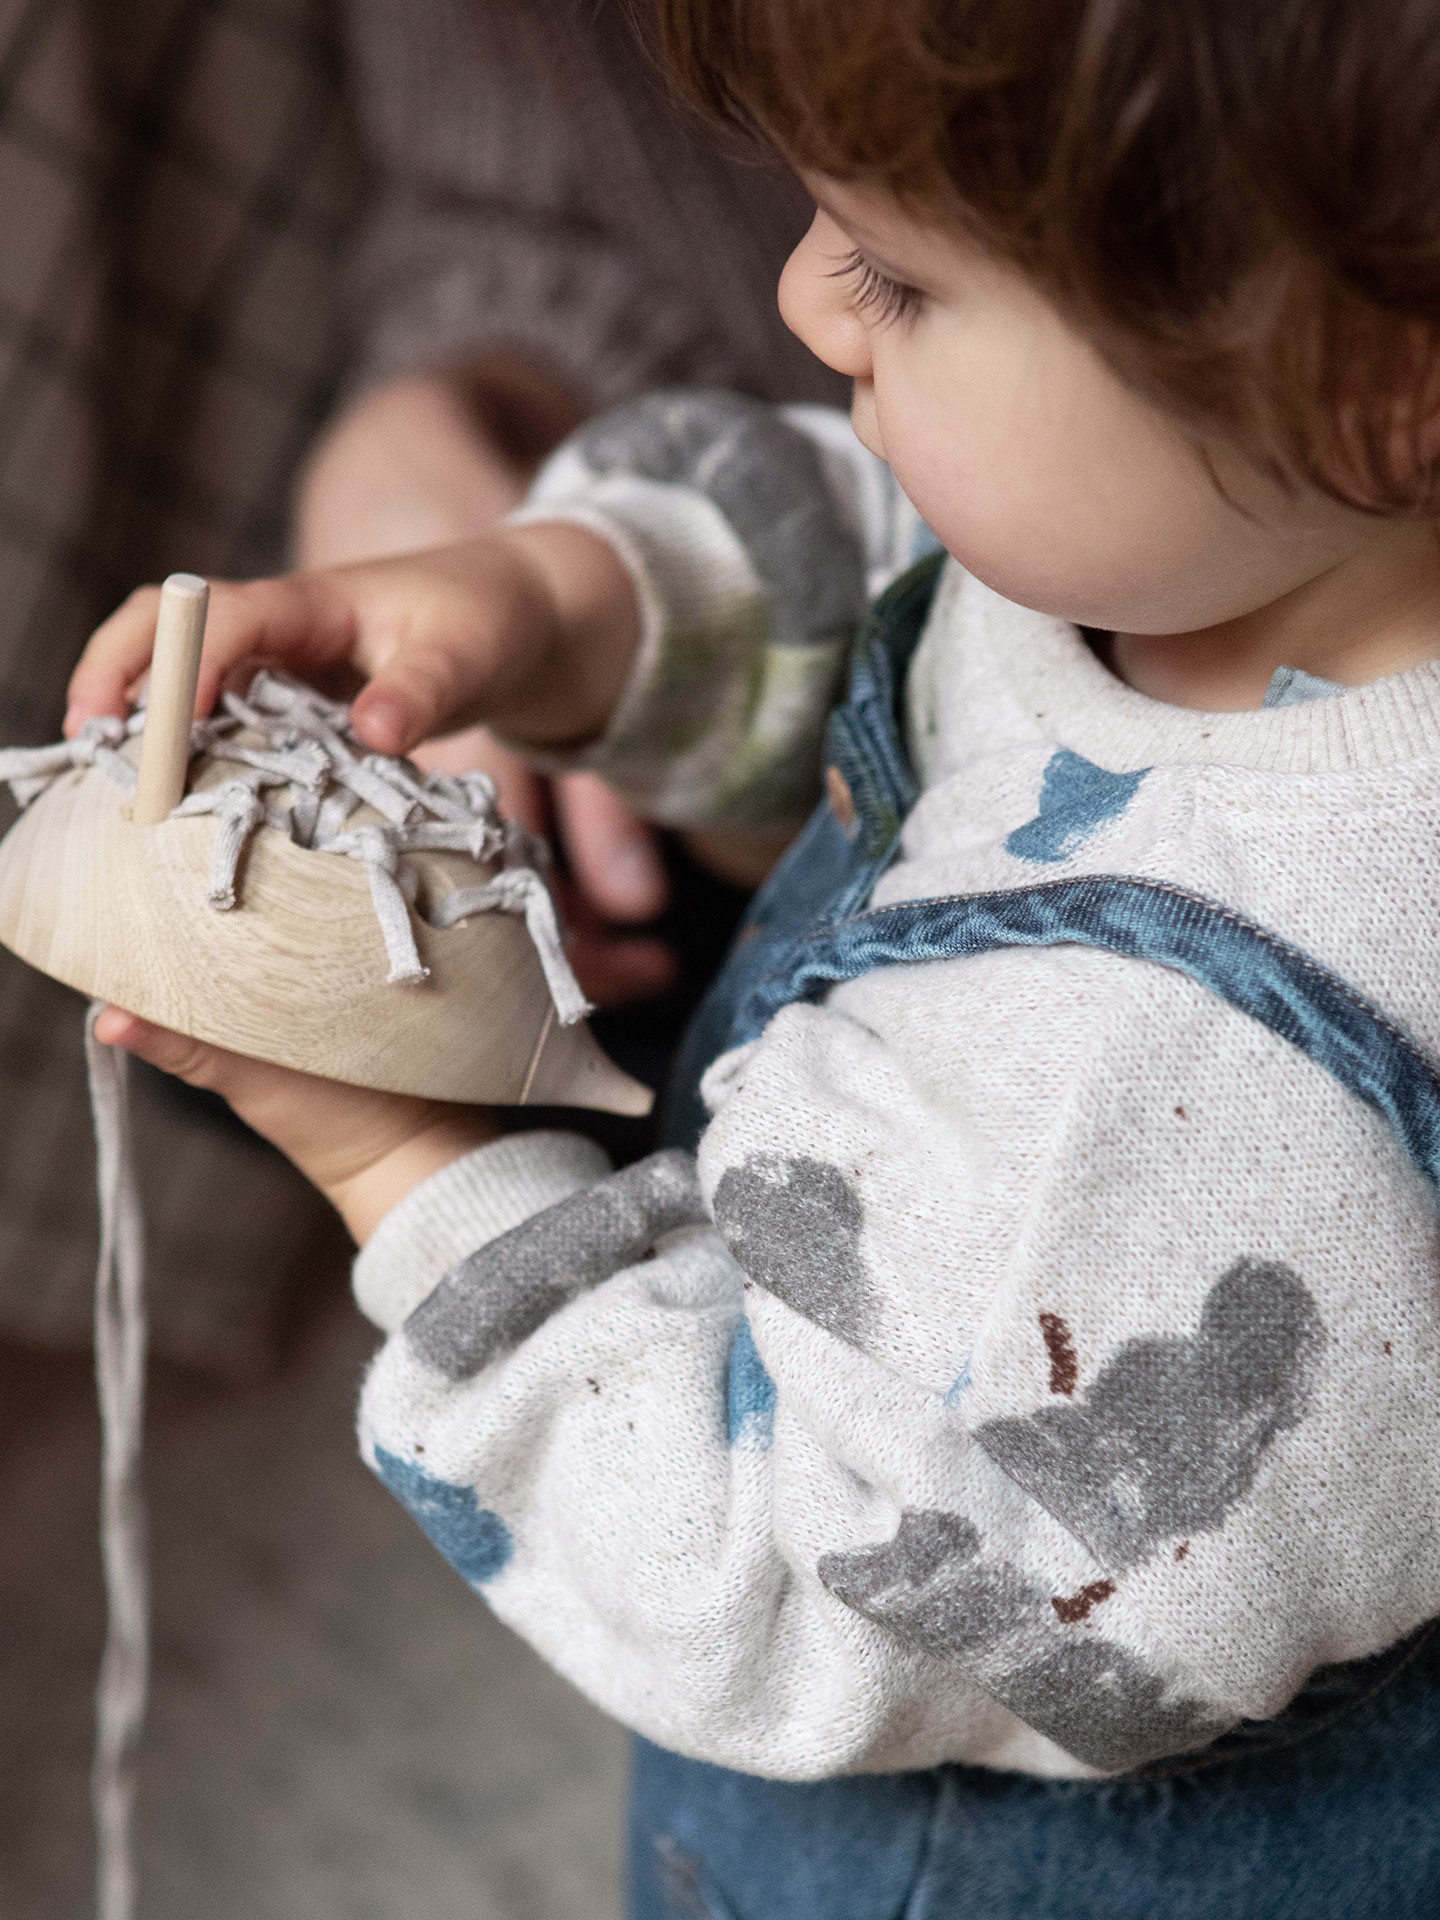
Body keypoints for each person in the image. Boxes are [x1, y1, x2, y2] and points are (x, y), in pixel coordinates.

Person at [63, 0, 1440, 1911]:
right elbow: (924, 560)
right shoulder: (1245, 532)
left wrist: (417, 1169)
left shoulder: (1214, 1113)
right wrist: (559, 600)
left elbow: (784, 1588)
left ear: (1377, 378)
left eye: (899, 274)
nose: (805, 300)